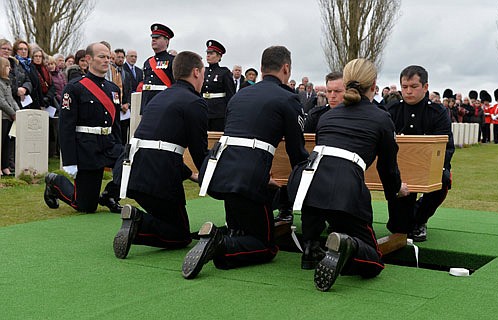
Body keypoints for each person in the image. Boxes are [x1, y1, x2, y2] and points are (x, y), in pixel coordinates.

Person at [182, 45, 308, 279]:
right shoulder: (289, 99)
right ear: (286, 68)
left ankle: (224, 239)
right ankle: (219, 243)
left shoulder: (240, 96)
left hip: (221, 170)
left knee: (239, 229)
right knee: (266, 245)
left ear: (261, 69)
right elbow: (296, 151)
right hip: (249, 178)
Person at [287, 58, 408, 291]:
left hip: (306, 183)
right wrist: (396, 190)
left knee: (319, 195)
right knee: (372, 260)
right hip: (344, 189)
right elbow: (387, 168)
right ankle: (347, 245)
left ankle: (311, 249)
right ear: (373, 84)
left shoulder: (327, 116)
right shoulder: (381, 118)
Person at [112, 51, 208, 259]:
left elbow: (159, 142)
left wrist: (189, 174)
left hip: (132, 171)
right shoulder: (194, 102)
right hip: (158, 177)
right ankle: (138, 223)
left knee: (167, 219)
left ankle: (139, 222)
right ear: (196, 72)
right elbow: (199, 152)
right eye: (202, 73)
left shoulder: (159, 98)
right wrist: (212, 178)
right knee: (180, 235)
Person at [43, 42, 123, 213]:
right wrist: (70, 161)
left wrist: (120, 146)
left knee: (131, 164)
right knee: (86, 206)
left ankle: (110, 195)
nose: (106, 60)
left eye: (108, 57)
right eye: (102, 57)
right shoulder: (74, 87)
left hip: (109, 144)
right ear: (88, 59)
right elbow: (66, 126)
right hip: (87, 147)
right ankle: (54, 182)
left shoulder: (113, 89)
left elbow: (115, 124)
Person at [386, 65, 455, 242]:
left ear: (425, 87)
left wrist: (430, 167)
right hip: (399, 171)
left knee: (443, 179)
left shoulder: (438, 112)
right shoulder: (391, 111)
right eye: (404, 87)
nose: (408, 91)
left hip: (429, 168)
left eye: (414, 87)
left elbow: (446, 147)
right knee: (398, 228)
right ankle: (405, 221)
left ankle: (420, 220)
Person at [140, 23, 175, 113]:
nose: (154, 40)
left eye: (157, 38)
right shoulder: (148, 62)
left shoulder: (173, 61)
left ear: (167, 41)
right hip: (147, 105)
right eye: (152, 38)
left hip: (163, 105)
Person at [201, 39, 235, 132]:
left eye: (211, 53)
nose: (208, 55)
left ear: (219, 56)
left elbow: (230, 94)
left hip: (219, 112)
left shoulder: (224, 72)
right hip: (204, 109)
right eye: (207, 53)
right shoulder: (203, 71)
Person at [0, 56, 20, 176]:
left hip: (9, 118)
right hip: (2, 117)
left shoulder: (7, 83)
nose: (10, 69)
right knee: (0, 143)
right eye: (7, 66)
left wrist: (18, 112)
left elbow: (11, 100)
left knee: (7, 143)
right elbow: (1, 101)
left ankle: (5, 166)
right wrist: (12, 113)